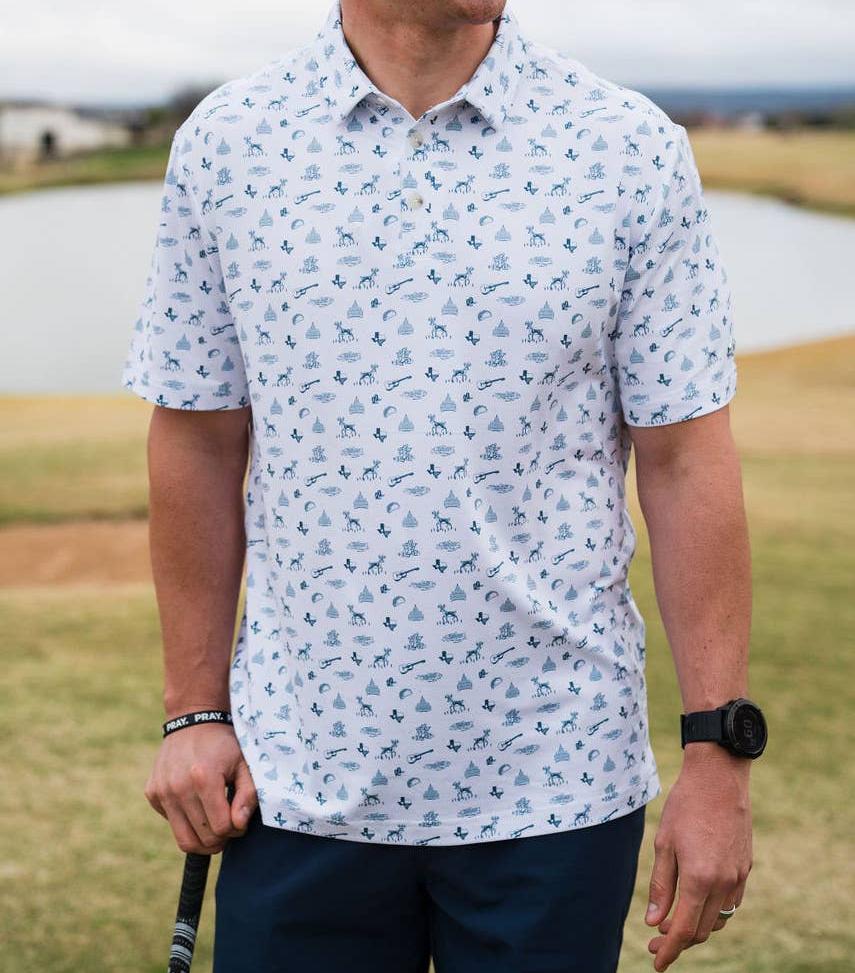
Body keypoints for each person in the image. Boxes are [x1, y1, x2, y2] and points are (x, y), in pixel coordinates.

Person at [121, 1, 768, 970]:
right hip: (295, 781)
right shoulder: (230, 143)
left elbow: (684, 461)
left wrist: (718, 757)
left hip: (557, 785)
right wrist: (194, 711)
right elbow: (200, 441)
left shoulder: (627, 148)